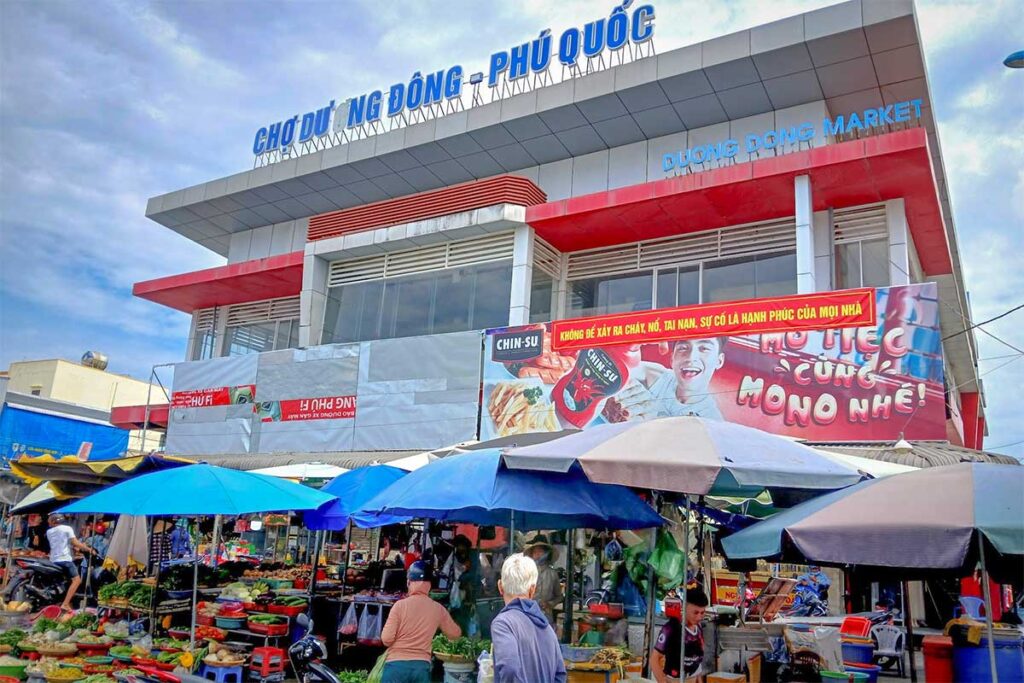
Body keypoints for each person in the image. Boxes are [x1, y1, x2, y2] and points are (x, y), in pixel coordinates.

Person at [491, 553, 567, 683]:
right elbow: (560, 675)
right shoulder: (547, 627)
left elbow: (509, 668)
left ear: (500, 587)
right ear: (532, 590)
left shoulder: (503, 623)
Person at [380, 560, 460, 683]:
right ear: (430, 585)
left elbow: (386, 639)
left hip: (396, 667)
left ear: (409, 582)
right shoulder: (438, 608)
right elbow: (455, 634)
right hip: (421, 668)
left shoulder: (399, 606)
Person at [642, 338, 727, 420]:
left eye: (704, 349)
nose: (691, 357)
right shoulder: (655, 377)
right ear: (672, 359)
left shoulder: (712, 422)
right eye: (683, 348)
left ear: (719, 361)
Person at [652, 584, 708, 683]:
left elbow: (697, 661)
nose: (699, 617)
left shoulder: (698, 628)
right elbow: (654, 659)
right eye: (695, 613)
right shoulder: (671, 628)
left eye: (702, 613)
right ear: (684, 608)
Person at [46, 514, 99, 611]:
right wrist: (89, 549)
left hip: (53, 560)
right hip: (65, 560)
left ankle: (64, 602)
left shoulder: (49, 532)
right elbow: (75, 542)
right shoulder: (67, 528)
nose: (48, 522)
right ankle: (65, 604)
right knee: (77, 580)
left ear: (53, 521)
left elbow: (62, 542)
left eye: (49, 520)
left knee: (66, 581)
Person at [523, 534, 562, 626]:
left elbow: (559, 596)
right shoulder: (526, 572)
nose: (537, 554)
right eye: (535, 552)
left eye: (540, 551)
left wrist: (549, 604)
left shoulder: (552, 574)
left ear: (546, 553)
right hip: (528, 615)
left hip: (546, 616)